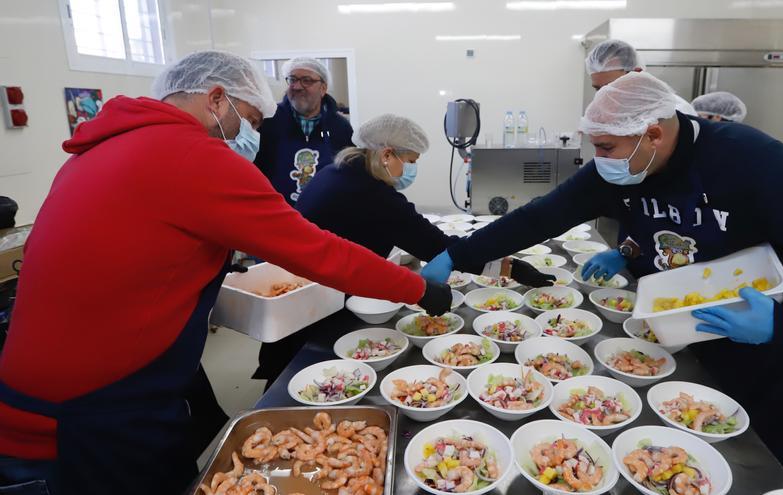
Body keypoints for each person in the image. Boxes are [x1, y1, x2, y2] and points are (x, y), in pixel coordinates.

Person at [0, 50, 450, 495]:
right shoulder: (194, 157)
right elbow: (318, 251)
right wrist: (417, 287)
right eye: (251, 120)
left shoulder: (97, 149)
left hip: (33, 400)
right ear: (217, 99)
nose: (251, 134)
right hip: (89, 419)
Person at [422, 72, 783, 493]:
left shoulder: (751, 159)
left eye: (605, 147)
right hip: (686, 341)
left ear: (654, 135)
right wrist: (458, 254)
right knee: (689, 469)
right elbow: (542, 214)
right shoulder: (624, 163)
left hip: (774, 345)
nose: (598, 159)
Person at [254, 114, 551, 387]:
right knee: (300, 378)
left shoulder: (337, 172)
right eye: (410, 160)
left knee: (290, 373)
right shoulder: (372, 194)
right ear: (386, 155)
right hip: (318, 310)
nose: (411, 169)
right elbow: (439, 246)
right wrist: (509, 268)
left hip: (303, 299)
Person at [254, 57, 354, 206]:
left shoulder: (340, 127)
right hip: (278, 213)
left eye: (306, 80)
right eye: (292, 79)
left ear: (323, 88)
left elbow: (347, 174)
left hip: (325, 213)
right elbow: (254, 171)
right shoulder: (268, 121)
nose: (297, 86)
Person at [584, 38, 698, 116]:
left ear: (637, 74)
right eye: (598, 89)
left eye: (612, 87)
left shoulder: (674, 111)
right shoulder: (610, 113)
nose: (604, 96)